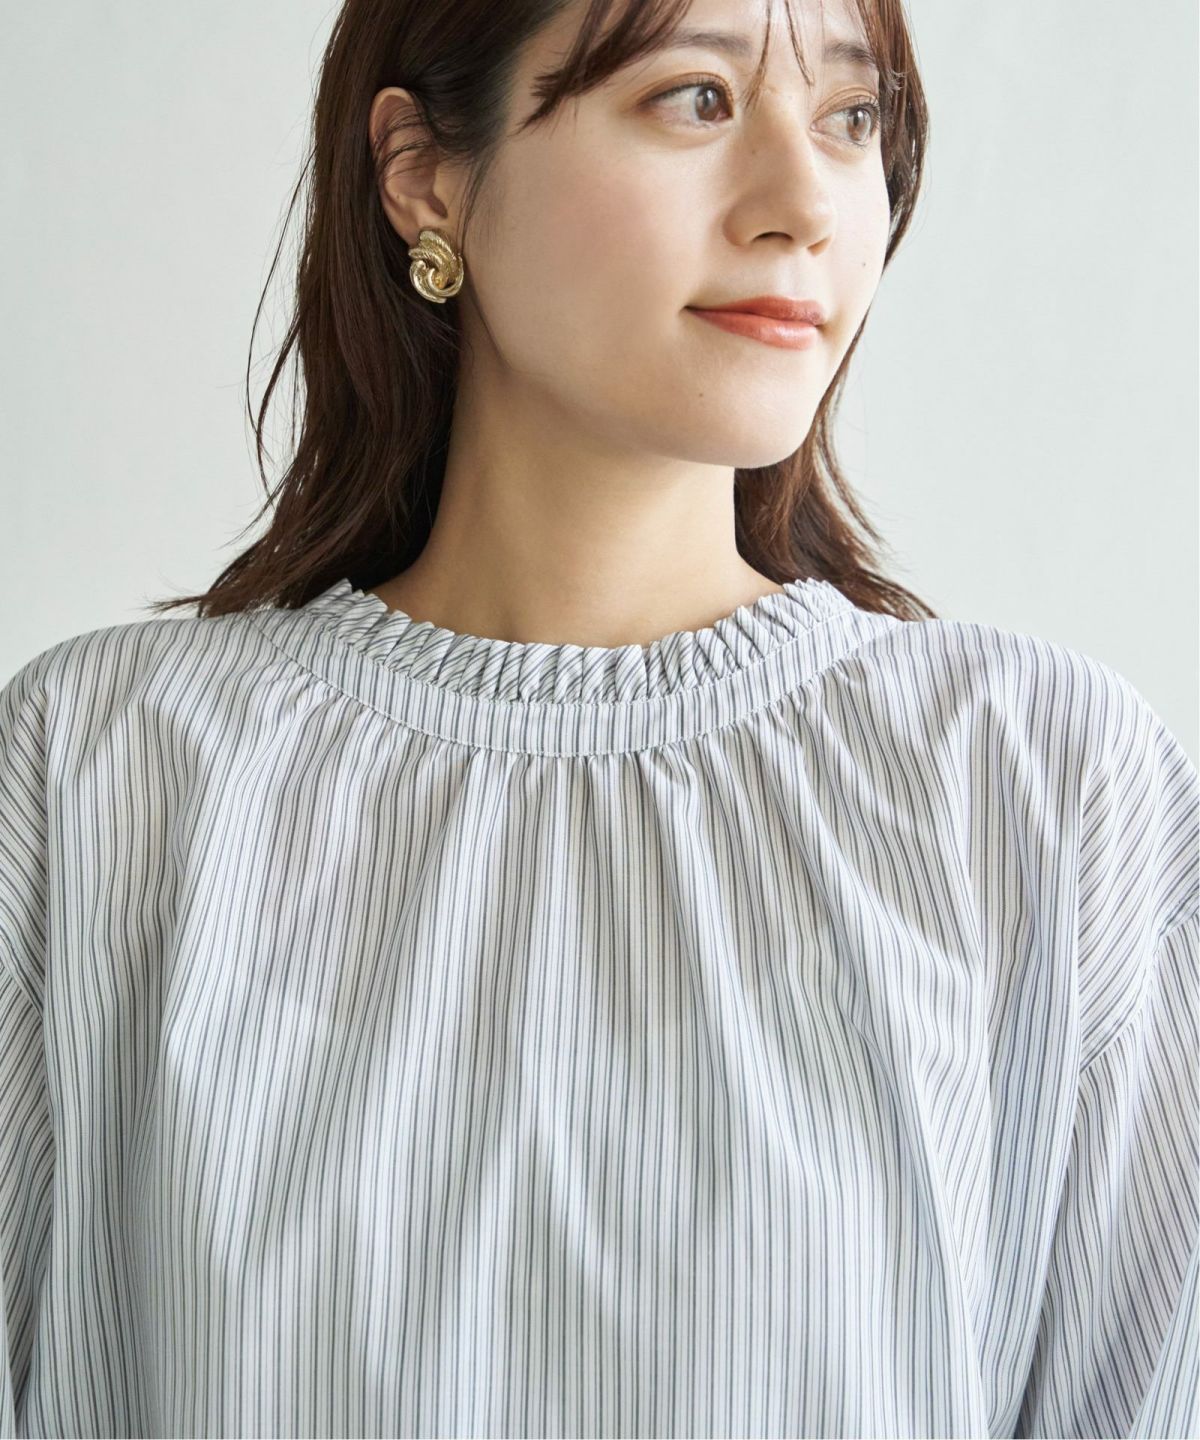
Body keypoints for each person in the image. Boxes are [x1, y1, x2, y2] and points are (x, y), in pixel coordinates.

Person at [1, 0, 1196, 1435]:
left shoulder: (1040, 782)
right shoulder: (99, 773)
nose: (806, 203)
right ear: (425, 175)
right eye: (694, 97)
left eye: (852, 118)